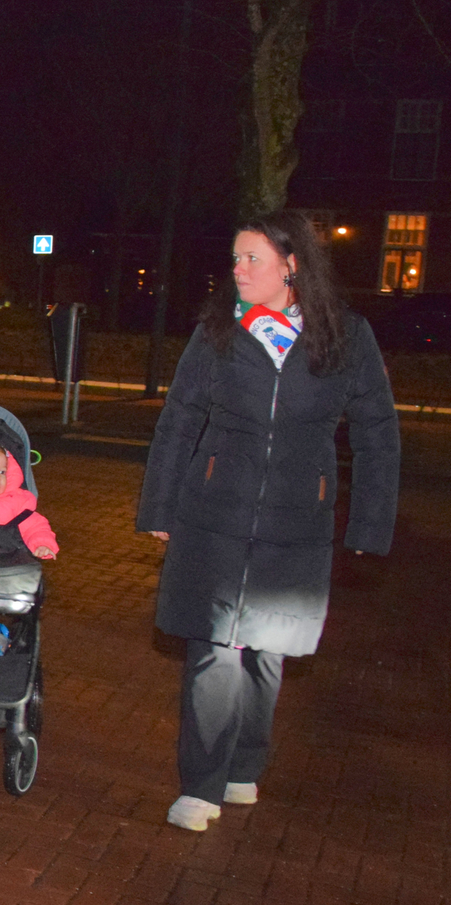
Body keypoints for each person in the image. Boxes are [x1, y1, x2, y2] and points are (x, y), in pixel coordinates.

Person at [136, 210, 399, 832]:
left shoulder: (346, 337)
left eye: (252, 258)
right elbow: (179, 418)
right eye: (235, 258)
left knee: (265, 651)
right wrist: (159, 506)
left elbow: (377, 431)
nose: (239, 269)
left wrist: (369, 525)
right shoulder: (218, 333)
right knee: (215, 648)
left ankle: (243, 767)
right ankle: (200, 787)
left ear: (292, 264)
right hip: (214, 514)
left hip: (296, 521)